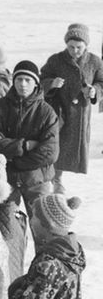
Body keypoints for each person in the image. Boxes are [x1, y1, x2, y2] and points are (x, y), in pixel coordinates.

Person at [0, 60, 61, 210]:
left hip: (38, 179)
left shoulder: (46, 112)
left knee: (44, 224)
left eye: (28, 80)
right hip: (5, 179)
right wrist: (24, 146)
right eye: (19, 79)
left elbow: (50, 152)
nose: (23, 84)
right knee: (6, 225)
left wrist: (16, 163)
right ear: (13, 81)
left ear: (36, 83)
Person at [41, 25, 103, 182]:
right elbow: (40, 80)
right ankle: (56, 182)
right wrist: (51, 83)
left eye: (79, 47)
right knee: (57, 148)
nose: (75, 51)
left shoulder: (94, 61)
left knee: (75, 149)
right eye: (71, 47)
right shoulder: (56, 60)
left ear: (86, 45)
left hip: (81, 113)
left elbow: (101, 82)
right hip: (60, 112)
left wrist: (94, 91)